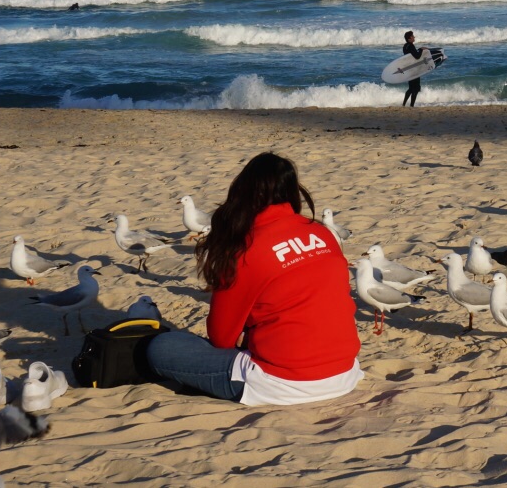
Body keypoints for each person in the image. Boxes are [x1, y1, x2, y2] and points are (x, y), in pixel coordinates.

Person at [145, 152, 363, 405]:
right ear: (292, 191)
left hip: (282, 382)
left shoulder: (245, 248)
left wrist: (247, 335)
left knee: (162, 346)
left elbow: (221, 338)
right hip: (344, 372)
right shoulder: (323, 234)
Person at [402, 30, 426, 107]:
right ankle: (412, 105)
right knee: (416, 88)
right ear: (409, 38)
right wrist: (421, 49)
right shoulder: (411, 46)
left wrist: (418, 50)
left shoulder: (405, 46)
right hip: (414, 69)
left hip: (409, 68)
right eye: (412, 36)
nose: (414, 37)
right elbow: (417, 56)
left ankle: (404, 104)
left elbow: (411, 54)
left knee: (411, 88)